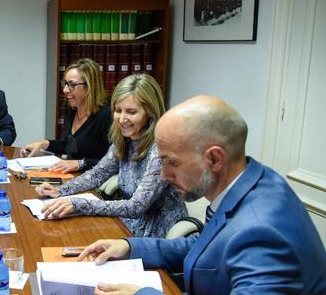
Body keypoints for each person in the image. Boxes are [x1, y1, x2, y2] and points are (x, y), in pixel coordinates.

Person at [78, 96, 326, 295]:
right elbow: (207, 246)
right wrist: (130, 247)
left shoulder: (261, 233)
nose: (164, 175)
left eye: (172, 162)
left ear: (215, 158)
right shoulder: (252, 180)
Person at [35, 74, 186, 238]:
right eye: (118, 110)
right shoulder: (124, 140)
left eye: (131, 112)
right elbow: (98, 174)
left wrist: (78, 205)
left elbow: (136, 206)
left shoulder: (160, 149)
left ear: (150, 112)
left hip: (157, 233)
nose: (122, 119)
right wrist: (61, 191)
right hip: (129, 222)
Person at [22, 58, 111, 173]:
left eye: (72, 85)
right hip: (72, 177)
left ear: (90, 86)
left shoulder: (106, 116)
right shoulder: (72, 110)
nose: (65, 90)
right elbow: (69, 146)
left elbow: (114, 162)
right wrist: (44, 143)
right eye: (65, 84)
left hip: (94, 181)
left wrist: (80, 163)